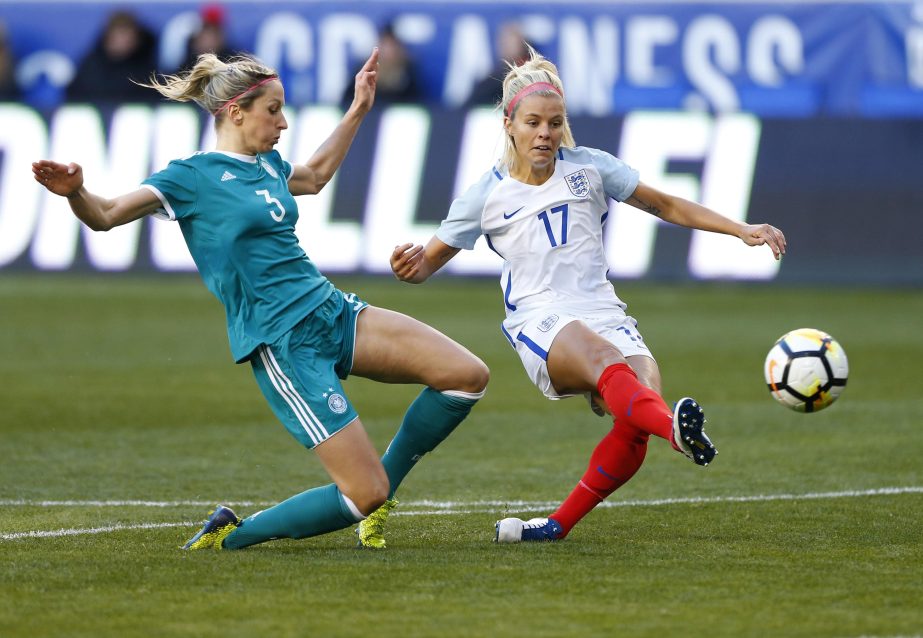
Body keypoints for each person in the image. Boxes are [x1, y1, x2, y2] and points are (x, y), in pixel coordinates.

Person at [33, 49, 488, 551]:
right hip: (283, 342)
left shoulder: (268, 164)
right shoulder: (190, 177)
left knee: (465, 377)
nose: (283, 122)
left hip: (333, 311)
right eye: (273, 110)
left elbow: (313, 176)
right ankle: (231, 536)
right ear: (236, 112)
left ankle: (383, 500)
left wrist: (358, 108)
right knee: (364, 493)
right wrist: (76, 192)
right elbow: (108, 213)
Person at [387, 48, 786, 543]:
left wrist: (740, 229)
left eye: (554, 123)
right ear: (509, 124)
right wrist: (410, 268)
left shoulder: (591, 168)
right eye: (533, 122)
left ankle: (556, 525)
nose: (545, 134)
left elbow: (664, 204)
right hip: (540, 319)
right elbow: (427, 262)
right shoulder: (485, 195)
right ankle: (677, 435)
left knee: (641, 406)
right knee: (608, 365)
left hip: (603, 310)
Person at [66, 10, 158, 103]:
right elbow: (75, 97)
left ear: (137, 38)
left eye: (127, 35)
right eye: (118, 35)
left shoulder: (147, 70)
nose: (122, 41)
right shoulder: (91, 67)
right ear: (108, 37)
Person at [341, 22, 422, 107]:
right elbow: (347, 101)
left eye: (392, 45)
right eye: (385, 45)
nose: (388, 51)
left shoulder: (409, 73)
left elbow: (416, 104)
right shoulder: (365, 70)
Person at [464, 22, 531, 108]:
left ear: (523, 42)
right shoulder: (493, 78)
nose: (505, 45)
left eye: (510, 40)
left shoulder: (533, 73)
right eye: (502, 41)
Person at [179, 4, 235, 71]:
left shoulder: (231, 58)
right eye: (206, 31)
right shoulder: (189, 56)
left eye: (215, 32)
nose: (209, 39)